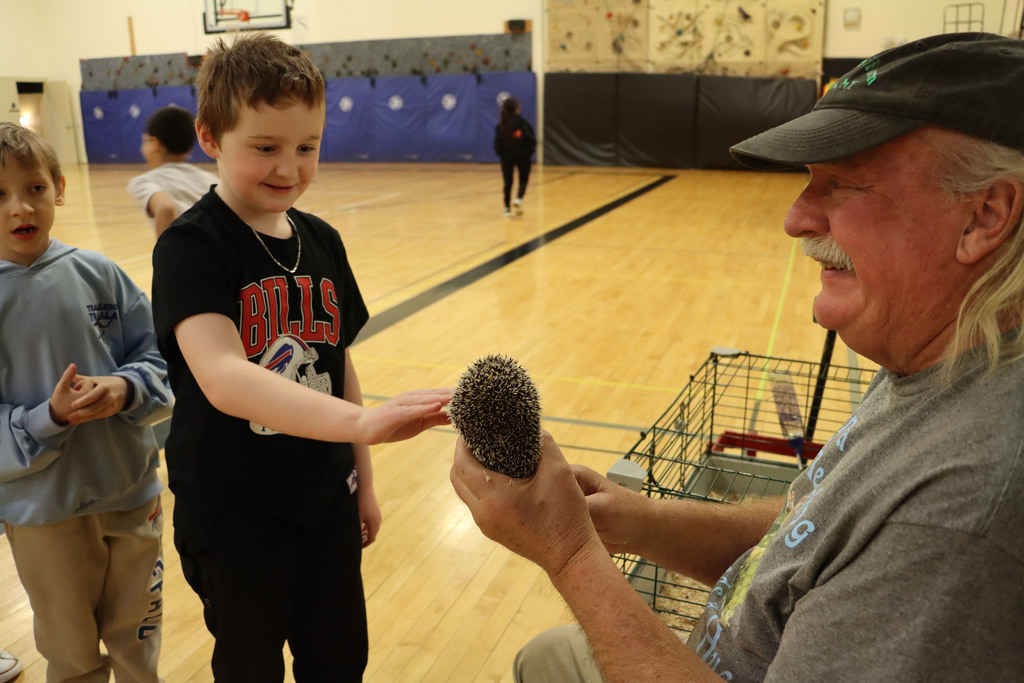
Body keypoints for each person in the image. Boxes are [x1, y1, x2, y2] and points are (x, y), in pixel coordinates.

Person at [451, 32, 1024, 682]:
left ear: (985, 214)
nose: (796, 218)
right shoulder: (943, 355)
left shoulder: (962, 513)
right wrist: (639, 520)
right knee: (545, 656)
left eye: (840, 185)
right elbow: (819, 532)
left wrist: (570, 551)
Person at [150, 33, 451, 682]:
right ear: (210, 137)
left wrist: (363, 480)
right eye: (265, 148)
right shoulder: (191, 246)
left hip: (326, 501)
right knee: (250, 663)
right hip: (234, 514)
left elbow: (339, 363)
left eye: (306, 147)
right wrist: (365, 425)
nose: (289, 167)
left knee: (339, 658)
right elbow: (224, 376)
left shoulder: (322, 240)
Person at [0, 122, 172, 681]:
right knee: (72, 656)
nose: (19, 208)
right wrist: (45, 420)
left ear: (59, 187)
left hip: (131, 493)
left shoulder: (99, 273)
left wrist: (124, 388)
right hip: (42, 515)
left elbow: (161, 358)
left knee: (138, 646)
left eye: (34, 189)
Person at [127, 105, 218, 237]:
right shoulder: (210, 179)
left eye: (145, 141)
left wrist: (165, 255)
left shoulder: (142, 182)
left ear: (155, 143)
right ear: (189, 150)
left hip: (191, 254)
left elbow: (165, 207)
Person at [493, 96, 536, 218]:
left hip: (507, 157)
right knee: (523, 179)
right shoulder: (522, 123)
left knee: (508, 182)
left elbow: (497, 144)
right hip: (523, 155)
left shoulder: (500, 125)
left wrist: (502, 154)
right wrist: (529, 152)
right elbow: (531, 139)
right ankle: (518, 198)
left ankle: (506, 208)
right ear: (517, 108)